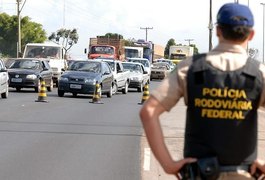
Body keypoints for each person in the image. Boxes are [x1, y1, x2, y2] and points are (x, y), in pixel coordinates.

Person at [140, 3, 265, 180]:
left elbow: (149, 111)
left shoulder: (191, 67)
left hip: (199, 173)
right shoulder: (259, 73)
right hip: (245, 174)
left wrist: (169, 165)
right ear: (251, 34)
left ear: (218, 31)